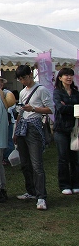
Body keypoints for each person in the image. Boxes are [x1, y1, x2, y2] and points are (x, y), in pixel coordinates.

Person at [14, 65, 54, 210]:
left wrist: (34, 109)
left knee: (37, 164)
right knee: (25, 163)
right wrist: (15, 131)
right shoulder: (23, 92)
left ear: (30, 75)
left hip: (35, 126)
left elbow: (51, 109)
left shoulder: (41, 90)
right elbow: (20, 112)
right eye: (20, 79)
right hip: (23, 127)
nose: (23, 81)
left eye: (24, 77)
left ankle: (41, 196)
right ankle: (31, 191)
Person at [52, 67, 79, 195]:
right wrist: (74, 108)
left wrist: (66, 107)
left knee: (74, 157)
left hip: (74, 129)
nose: (69, 77)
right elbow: (59, 108)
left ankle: (76, 183)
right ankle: (64, 184)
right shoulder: (57, 92)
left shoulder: (75, 92)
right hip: (60, 129)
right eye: (66, 75)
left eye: (70, 75)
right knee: (63, 157)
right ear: (60, 77)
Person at [0, 76, 17, 165]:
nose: (0, 83)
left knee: (8, 140)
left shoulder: (7, 93)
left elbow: (11, 106)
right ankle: (1, 157)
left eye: (1, 81)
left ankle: (8, 158)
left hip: (8, 120)